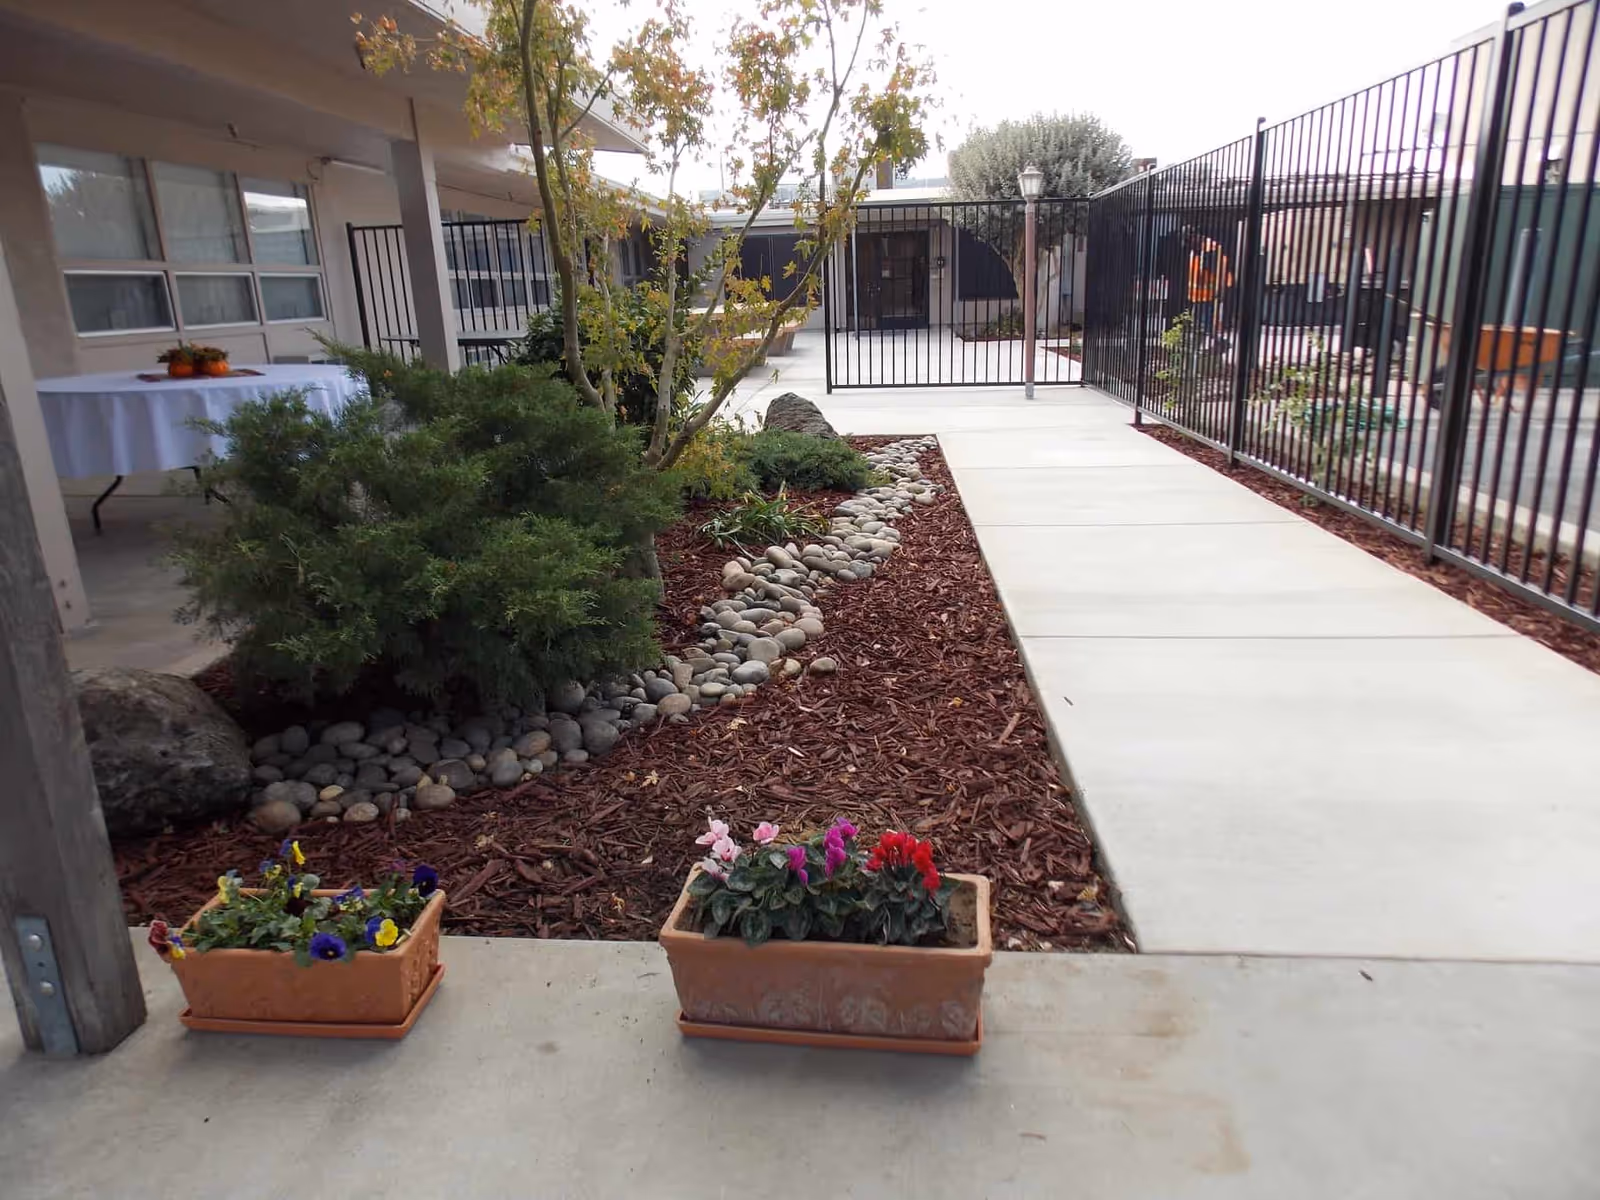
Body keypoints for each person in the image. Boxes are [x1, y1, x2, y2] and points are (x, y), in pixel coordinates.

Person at [1186, 230, 1234, 351]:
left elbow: (1213, 270)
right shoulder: (1198, 250)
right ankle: (1208, 340)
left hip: (1208, 293)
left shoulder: (1210, 250)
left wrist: (1220, 287)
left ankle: (1213, 341)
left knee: (1206, 319)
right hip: (1199, 294)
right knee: (1199, 319)